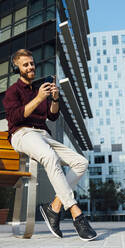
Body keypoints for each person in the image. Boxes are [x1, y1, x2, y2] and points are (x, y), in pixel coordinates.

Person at [3, 49, 97, 241]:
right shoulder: (13, 91)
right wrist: (39, 97)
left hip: (43, 135)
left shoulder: (40, 88)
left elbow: (52, 115)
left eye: (31, 63)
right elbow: (14, 117)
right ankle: (76, 213)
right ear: (16, 68)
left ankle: (54, 207)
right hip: (22, 133)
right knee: (49, 157)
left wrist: (54, 98)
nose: (30, 67)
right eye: (25, 64)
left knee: (80, 162)